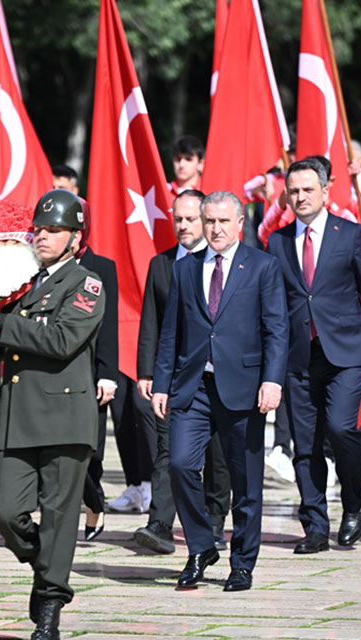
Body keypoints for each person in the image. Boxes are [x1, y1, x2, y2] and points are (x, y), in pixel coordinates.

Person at [0, 189, 106, 640]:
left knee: (59, 515)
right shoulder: (20, 282)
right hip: (17, 415)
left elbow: (63, 340)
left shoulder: (87, 283)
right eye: (39, 228)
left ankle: (50, 607)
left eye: (53, 230)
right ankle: (43, 563)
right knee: (7, 514)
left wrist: (5, 325)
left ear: (75, 238)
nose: (43, 236)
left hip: (64, 415)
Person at [152, 190, 288, 591]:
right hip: (193, 387)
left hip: (244, 388)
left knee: (245, 483)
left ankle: (242, 563)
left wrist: (272, 379)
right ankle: (200, 546)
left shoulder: (262, 267)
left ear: (239, 223)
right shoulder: (186, 268)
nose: (214, 228)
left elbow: (276, 329)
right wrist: (162, 384)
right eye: (208, 221)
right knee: (179, 464)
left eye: (223, 221)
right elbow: (171, 333)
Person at [267, 160, 361, 554]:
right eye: (294, 191)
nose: (300, 197)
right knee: (306, 444)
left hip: (346, 352)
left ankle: (355, 499)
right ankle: (315, 525)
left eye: (307, 190)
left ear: (325, 192)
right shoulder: (278, 242)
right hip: (299, 357)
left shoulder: (349, 235)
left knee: (339, 428)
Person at [133, 189, 232, 555]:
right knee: (167, 450)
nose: (184, 226)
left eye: (191, 219)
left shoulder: (222, 264)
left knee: (218, 454)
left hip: (217, 375)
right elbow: (151, 324)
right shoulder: (162, 265)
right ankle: (160, 523)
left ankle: (215, 517)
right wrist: (147, 373)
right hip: (173, 377)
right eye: (178, 219)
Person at [74, 211, 120, 540]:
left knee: (90, 450)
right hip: (48, 372)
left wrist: (108, 374)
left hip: (88, 373)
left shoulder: (101, 267)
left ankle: (93, 502)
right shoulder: (38, 265)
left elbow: (109, 326)